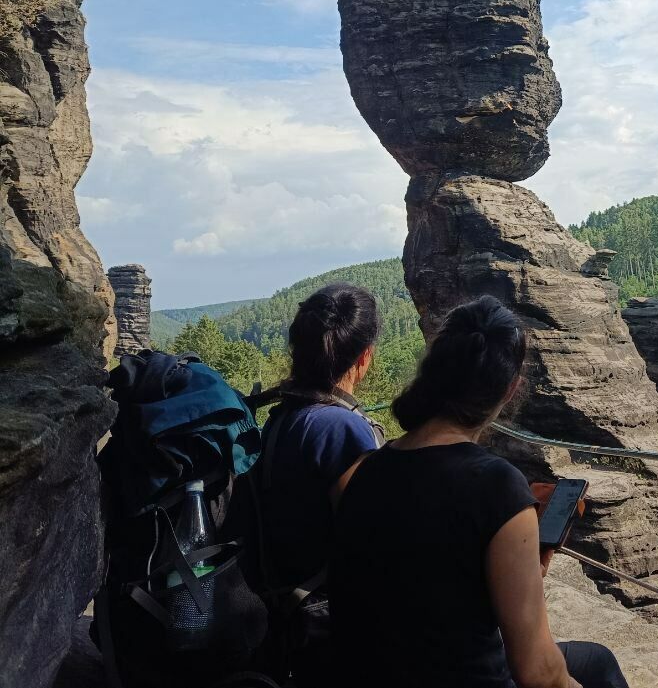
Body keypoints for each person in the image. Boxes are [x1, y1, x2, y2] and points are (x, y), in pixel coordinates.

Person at [329, 295, 629, 688]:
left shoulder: (360, 473)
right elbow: (538, 672)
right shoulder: (497, 488)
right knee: (596, 670)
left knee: (596, 660)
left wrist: (523, 561)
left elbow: (423, 587)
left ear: (433, 373)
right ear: (510, 389)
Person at [257, 282, 385, 684]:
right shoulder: (342, 430)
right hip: (327, 631)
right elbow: (371, 545)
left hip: (285, 615)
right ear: (364, 357)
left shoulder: (285, 415)